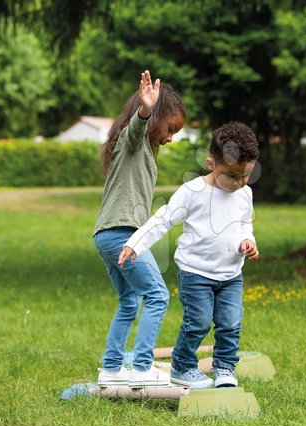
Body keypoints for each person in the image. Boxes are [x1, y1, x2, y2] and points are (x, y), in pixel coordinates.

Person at [119, 121, 260, 388]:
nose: (240, 183)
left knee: (230, 325)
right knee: (198, 322)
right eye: (232, 176)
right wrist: (135, 243)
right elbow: (163, 220)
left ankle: (224, 369)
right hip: (196, 273)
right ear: (210, 163)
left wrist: (247, 240)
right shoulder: (193, 192)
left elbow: (245, 224)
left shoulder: (244, 194)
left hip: (231, 274)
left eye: (246, 176)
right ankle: (183, 368)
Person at [93, 70, 186, 387]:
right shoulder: (132, 142)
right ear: (154, 118)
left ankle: (112, 367)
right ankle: (142, 368)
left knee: (130, 301)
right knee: (158, 296)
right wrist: (145, 109)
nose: (171, 137)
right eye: (170, 128)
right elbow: (137, 130)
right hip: (121, 234)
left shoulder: (140, 148)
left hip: (106, 234)